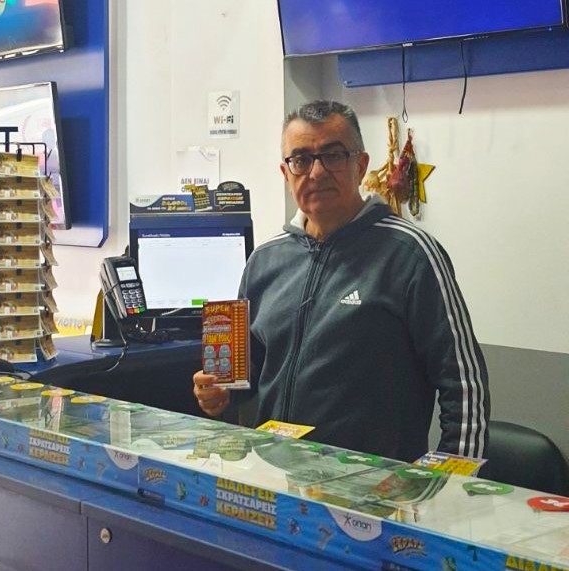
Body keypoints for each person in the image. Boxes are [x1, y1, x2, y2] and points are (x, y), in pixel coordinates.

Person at [193, 100, 490, 463]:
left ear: (360, 165)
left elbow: (464, 385)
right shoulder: (264, 261)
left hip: (373, 486)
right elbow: (248, 375)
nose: (316, 172)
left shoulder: (410, 254)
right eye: (301, 159)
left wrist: (449, 484)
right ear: (285, 172)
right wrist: (220, 394)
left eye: (333, 156)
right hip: (275, 476)